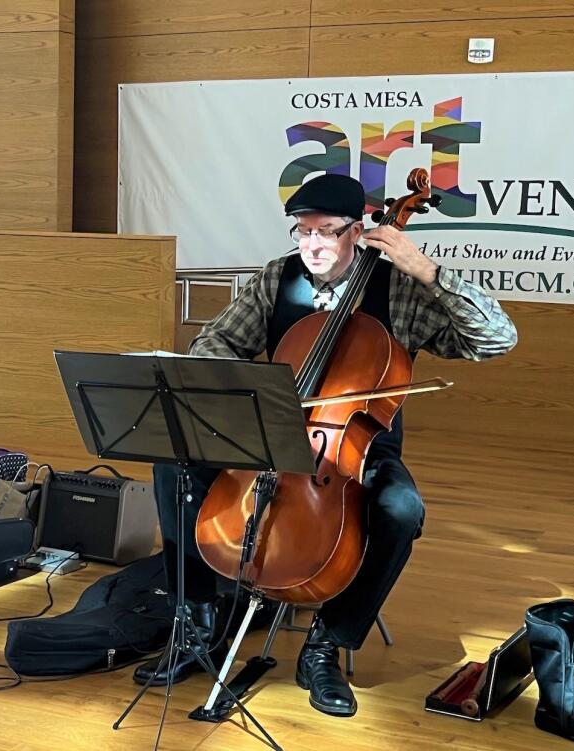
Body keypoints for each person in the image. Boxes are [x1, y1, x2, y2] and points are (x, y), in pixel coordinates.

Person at [134, 173, 517, 717]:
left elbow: (496, 339)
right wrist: (228, 377)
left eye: (328, 232)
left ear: (358, 233)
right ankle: (197, 625)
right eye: (302, 231)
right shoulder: (277, 279)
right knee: (175, 461)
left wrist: (428, 272)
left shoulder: (401, 290)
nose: (312, 244)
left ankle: (327, 643)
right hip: (271, 430)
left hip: (355, 445)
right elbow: (213, 342)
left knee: (402, 511)